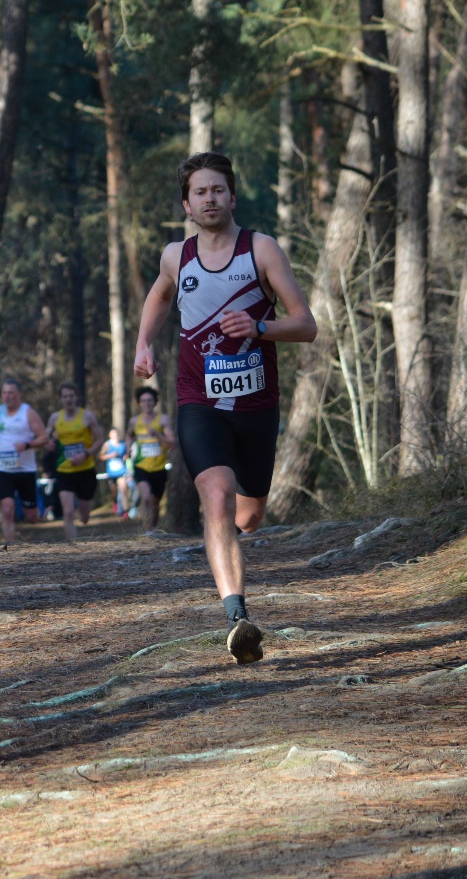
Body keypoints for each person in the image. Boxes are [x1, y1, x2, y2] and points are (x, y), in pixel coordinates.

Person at [134, 152, 316, 665]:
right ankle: (237, 618)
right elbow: (159, 298)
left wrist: (260, 328)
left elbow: (306, 325)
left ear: (232, 197)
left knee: (249, 515)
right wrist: (144, 343)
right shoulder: (176, 256)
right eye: (200, 192)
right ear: (186, 204)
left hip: (257, 404)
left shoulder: (260, 250)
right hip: (199, 401)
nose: (209, 199)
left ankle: (232, 547)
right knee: (215, 493)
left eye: (218, 190)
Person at [0, 379, 48, 543]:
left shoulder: (28, 412)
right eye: (4, 393)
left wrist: (28, 445)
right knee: (7, 508)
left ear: (18, 395)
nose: (7, 396)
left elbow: (44, 438)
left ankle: (37, 512)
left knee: (32, 516)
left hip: (25, 469)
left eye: (11, 392)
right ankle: (10, 548)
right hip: (2, 468)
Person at [44, 383, 105, 542]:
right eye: (65, 396)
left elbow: (99, 440)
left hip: (86, 469)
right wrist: (48, 444)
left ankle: (83, 516)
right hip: (65, 470)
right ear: (60, 399)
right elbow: (45, 436)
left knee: (84, 517)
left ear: (76, 397)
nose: (68, 399)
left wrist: (86, 454)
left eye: (71, 396)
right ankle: (72, 546)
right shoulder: (55, 418)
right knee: (68, 511)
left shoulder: (87, 416)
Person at [126, 387, 175, 535]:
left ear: (155, 402)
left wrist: (158, 435)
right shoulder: (134, 421)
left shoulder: (163, 420)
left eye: (149, 400)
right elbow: (129, 435)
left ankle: (152, 528)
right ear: (139, 403)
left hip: (159, 467)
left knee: (155, 503)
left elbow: (172, 443)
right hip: (141, 466)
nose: (146, 403)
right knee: (146, 497)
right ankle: (147, 531)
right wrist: (128, 448)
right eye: (143, 401)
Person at [99, 429, 131, 516]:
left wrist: (126, 456)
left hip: (121, 471)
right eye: (112, 434)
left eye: (116, 433)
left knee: (124, 491)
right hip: (111, 472)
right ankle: (115, 502)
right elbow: (101, 456)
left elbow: (128, 454)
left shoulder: (122, 444)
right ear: (110, 435)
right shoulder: (107, 444)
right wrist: (111, 455)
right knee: (114, 492)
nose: (115, 435)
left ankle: (125, 513)